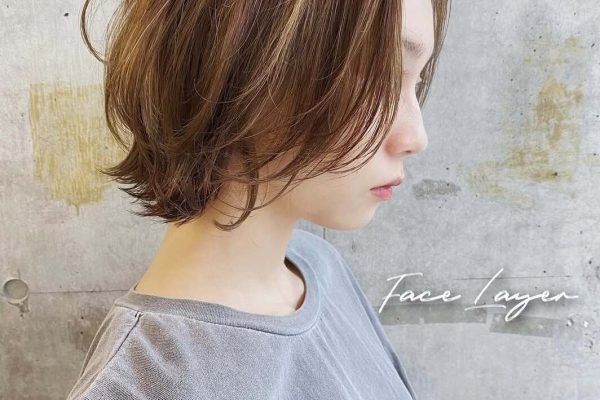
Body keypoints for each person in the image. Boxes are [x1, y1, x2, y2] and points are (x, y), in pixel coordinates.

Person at [67, 0, 451, 398]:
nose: (416, 137)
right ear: (241, 60)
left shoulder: (320, 266)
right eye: (381, 79)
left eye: (416, 82)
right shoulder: (144, 384)